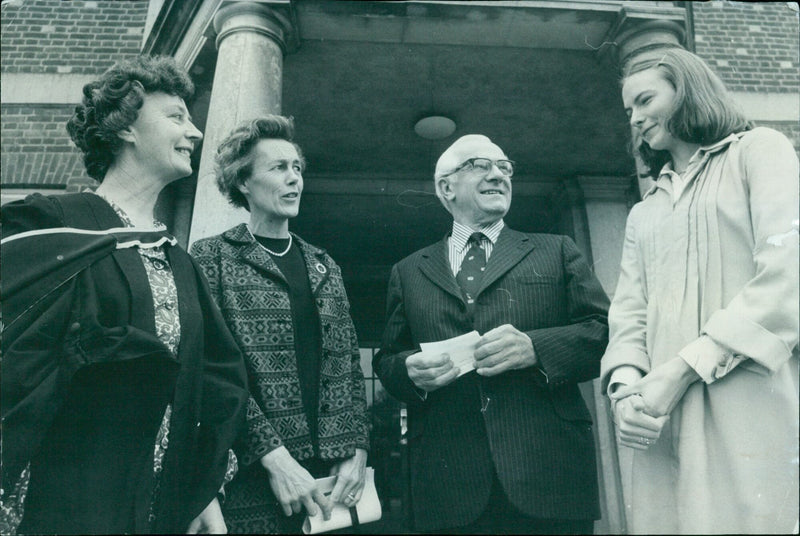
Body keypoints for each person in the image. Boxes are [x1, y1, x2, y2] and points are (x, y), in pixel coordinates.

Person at [0, 55, 249, 534]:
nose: (195, 132)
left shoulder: (181, 263)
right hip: (68, 497)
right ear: (126, 127)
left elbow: (215, 383)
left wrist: (202, 491)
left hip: (159, 504)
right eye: (176, 117)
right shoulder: (51, 225)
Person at [601, 47, 799, 534]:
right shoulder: (643, 212)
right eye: (629, 111)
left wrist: (683, 369)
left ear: (687, 90)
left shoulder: (760, 151)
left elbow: (787, 274)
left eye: (645, 100)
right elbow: (627, 314)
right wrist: (626, 391)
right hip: (658, 420)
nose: (636, 118)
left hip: (748, 397)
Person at [373, 134, 610, 534]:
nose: (498, 174)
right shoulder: (409, 271)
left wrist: (536, 348)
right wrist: (410, 371)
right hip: (449, 485)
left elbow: (604, 332)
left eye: (505, 167)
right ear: (446, 187)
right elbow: (388, 359)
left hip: (548, 474)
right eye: (480, 165)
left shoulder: (556, 250)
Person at [189, 116, 370, 534]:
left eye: (297, 168)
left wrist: (357, 449)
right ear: (243, 182)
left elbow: (347, 369)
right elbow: (211, 373)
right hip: (252, 478)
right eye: (278, 168)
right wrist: (273, 456)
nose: (294, 180)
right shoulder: (212, 258)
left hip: (333, 481)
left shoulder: (325, 265)